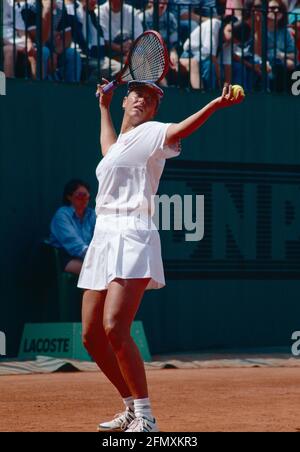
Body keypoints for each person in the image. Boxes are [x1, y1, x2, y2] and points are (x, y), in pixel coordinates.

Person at [77, 78, 243, 432]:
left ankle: (146, 416)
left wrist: (214, 105)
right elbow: (109, 150)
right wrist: (103, 107)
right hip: (103, 236)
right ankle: (130, 408)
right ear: (126, 101)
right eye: (136, 94)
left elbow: (185, 127)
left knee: (115, 328)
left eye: (150, 99)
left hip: (132, 234)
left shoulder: (154, 133)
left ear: (154, 110)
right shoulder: (120, 142)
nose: (141, 100)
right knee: (91, 335)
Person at [48, 179, 96, 275]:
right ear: (69, 196)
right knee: (93, 272)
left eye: (87, 196)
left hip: (89, 255)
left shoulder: (92, 214)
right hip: (66, 256)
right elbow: (73, 243)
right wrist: (95, 257)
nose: (85, 199)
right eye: (80, 195)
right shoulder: (62, 215)